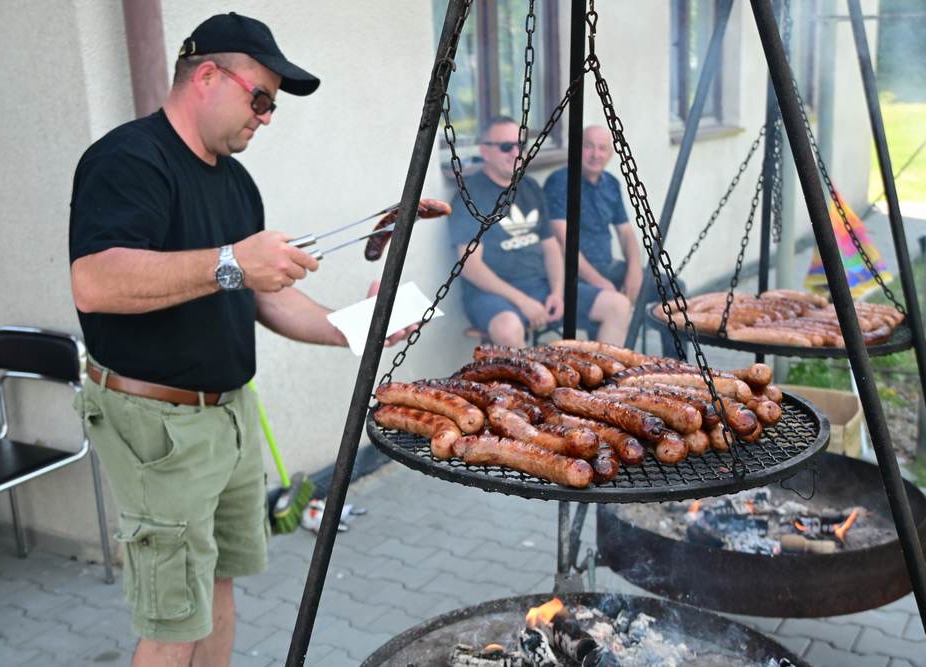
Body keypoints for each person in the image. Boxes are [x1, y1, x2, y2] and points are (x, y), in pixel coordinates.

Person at [68, 13, 408, 667]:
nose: (267, 117)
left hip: (229, 413)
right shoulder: (127, 160)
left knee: (220, 586)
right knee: (174, 621)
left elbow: (262, 294)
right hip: (158, 425)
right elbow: (95, 281)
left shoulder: (235, 181)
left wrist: (356, 328)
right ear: (207, 76)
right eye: (260, 99)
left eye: (272, 105)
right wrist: (230, 262)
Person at [450, 117, 632, 347]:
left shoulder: (530, 187)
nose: (515, 153)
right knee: (508, 329)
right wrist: (522, 301)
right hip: (492, 296)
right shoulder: (470, 195)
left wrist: (557, 292)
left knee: (618, 306)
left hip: (540, 286)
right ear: (485, 151)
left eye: (521, 145)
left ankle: (602, 372)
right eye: (506, 146)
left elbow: (551, 247)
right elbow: (470, 265)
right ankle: (527, 372)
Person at [543, 125, 643, 303]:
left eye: (602, 148)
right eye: (588, 146)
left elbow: (626, 232)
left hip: (608, 266)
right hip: (573, 274)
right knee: (614, 304)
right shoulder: (559, 182)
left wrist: (634, 271)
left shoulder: (612, 184)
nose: (595, 155)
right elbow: (563, 242)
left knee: (670, 287)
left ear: (610, 154)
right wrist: (599, 282)